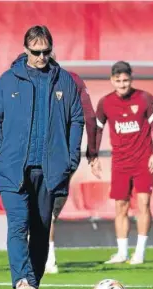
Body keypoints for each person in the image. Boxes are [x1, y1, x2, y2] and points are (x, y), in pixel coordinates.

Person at [0, 25, 84, 289]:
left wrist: (71, 156)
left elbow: (76, 118)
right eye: (36, 52)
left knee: (41, 229)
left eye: (46, 51)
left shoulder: (64, 81)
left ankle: (32, 287)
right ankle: (22, 281)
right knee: (18, 225)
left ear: (51, 49)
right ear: (26, 49)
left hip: (50, 169)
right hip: (13, 168)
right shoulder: (8, 80)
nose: (41, 57)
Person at [92, 61, 153, 265]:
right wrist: (93, 156)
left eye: (126, 80)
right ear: (112, 80)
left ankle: (139, 252)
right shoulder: (105, 102)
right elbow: (97, 129)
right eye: (118, 80)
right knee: (120, 206)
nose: (122, 84)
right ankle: (122, 252)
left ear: (131, 79)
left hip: (143, 161)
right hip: (120, 163)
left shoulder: (145, 98)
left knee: (144, 203)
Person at [45, 54, 98, 274]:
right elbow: (91, 118)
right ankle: (47, 258)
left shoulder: (68, 80)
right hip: (67, 157)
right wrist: (91, 152)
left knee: (42, 210)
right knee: (45, 211)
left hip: (52, 156)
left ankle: (47, 259)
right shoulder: (73, 79)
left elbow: (90, 117)